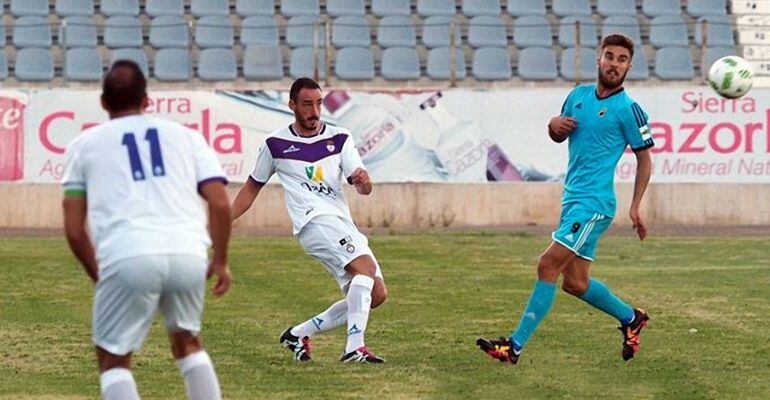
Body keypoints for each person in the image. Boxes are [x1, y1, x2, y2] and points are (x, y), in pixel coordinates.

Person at [476, 34, 655, 364]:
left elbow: (645, 159)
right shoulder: (577, 96)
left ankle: (512, 347)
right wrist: (552, 125)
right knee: (575, 283)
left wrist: (635, 206)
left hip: (595, 204)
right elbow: (559, 134)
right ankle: (631, 318)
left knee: (547, 264)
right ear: (598, 59)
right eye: (609, 56)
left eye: (621, 59)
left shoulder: (630, 110)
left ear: (629, 66)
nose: (614, 63)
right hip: (573, 200)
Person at [62, 60, 232, 399]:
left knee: (113, 359)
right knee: (188, 343)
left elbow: (74, 230)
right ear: (147, 100)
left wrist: (100, 273)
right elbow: (220, 203)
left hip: (127, 253)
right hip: (188, 253)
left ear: (104, 103)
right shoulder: (187, 137)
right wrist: (221, 260)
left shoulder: (84, 145)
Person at [232, 77, 389, 364]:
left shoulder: (340, 138)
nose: (314, 111)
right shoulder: (276, 144)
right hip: (312, 222)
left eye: (318, 103)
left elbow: (363, 186)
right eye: (307, 104)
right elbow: (251, 188)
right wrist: (221, 220)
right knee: (364, 270)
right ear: (292, 105)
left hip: (340, 221)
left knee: (375, 293)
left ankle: (297, 334)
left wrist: (364, 182)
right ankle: (355, 348)